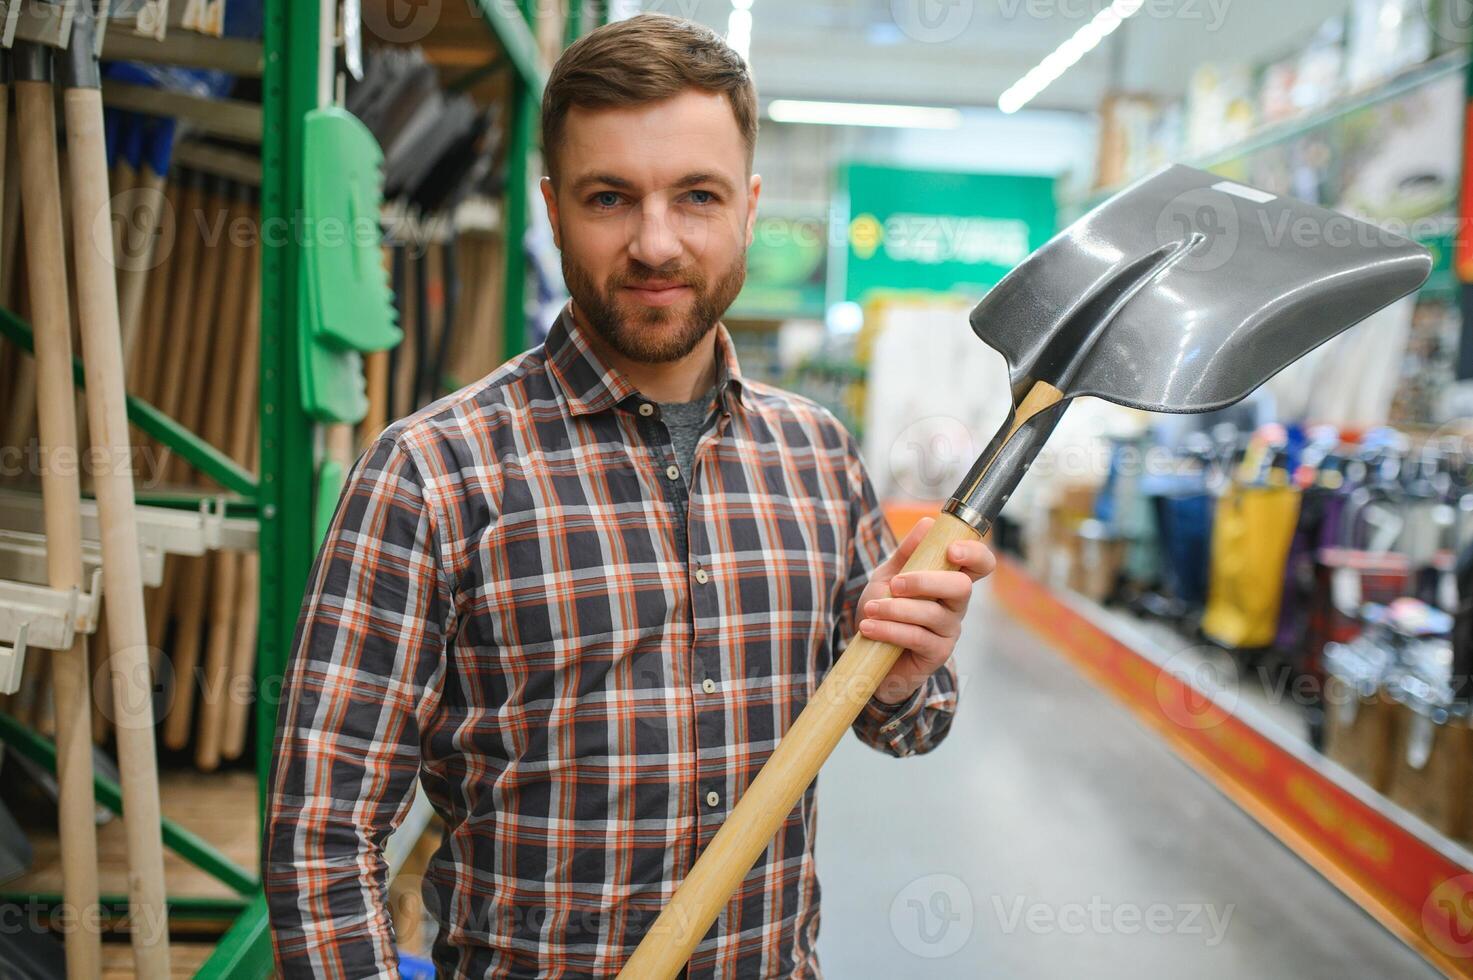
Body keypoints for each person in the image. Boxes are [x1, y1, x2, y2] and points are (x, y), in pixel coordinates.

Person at [263, 13, 993, 978]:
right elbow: (318, 843)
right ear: (554, 207)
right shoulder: (433, 474)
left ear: (748, 206)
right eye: (611, 198)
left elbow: (910, 724)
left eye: (697, 196)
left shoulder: (817, 455)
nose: (657, 244)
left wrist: (900, 679)